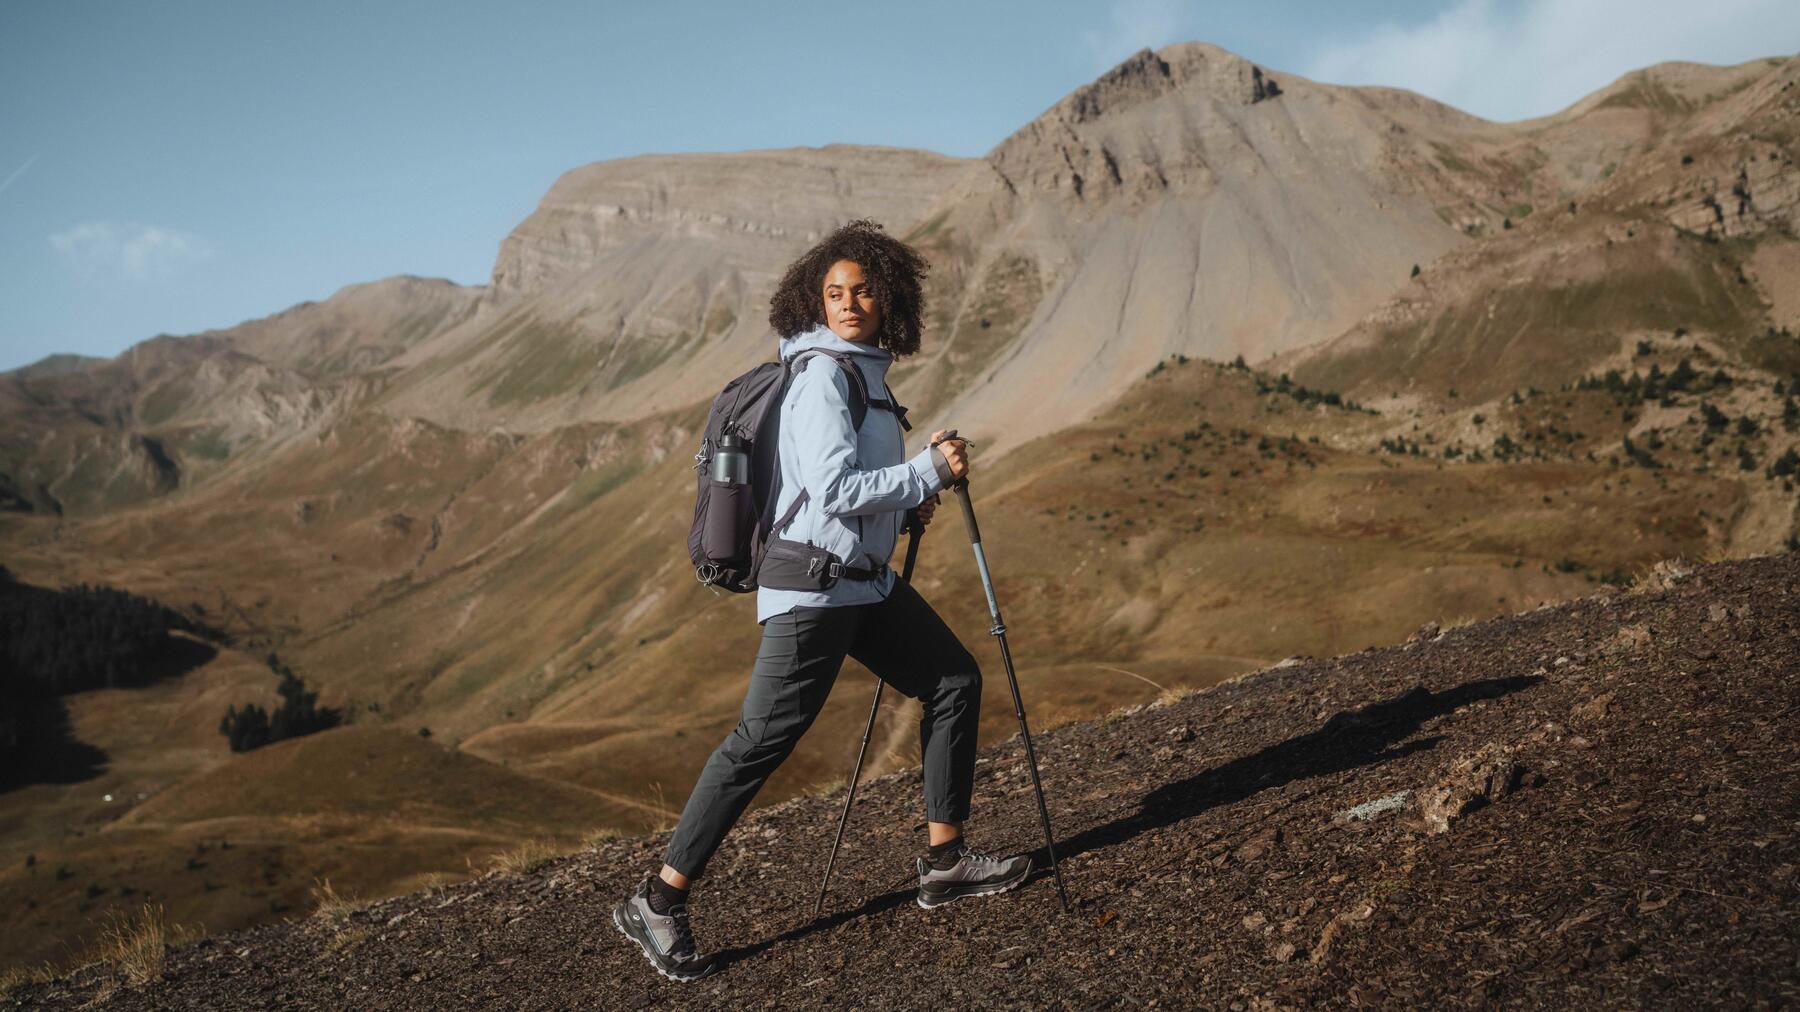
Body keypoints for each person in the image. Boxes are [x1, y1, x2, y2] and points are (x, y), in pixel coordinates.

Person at [612, 219, 1032, 981]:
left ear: (887, 297)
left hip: (861, 584)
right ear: (814, 298)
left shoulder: (865, 374)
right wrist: (926, 474)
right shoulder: (820, 378)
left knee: (951, 680)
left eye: (863, 290)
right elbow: (836, 491)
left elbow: (836, 491)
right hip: (813, 588)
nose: (848, 303)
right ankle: (658, 901)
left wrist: (905, 503)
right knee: (759, 742)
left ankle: (944, 861)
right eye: (834, 292)